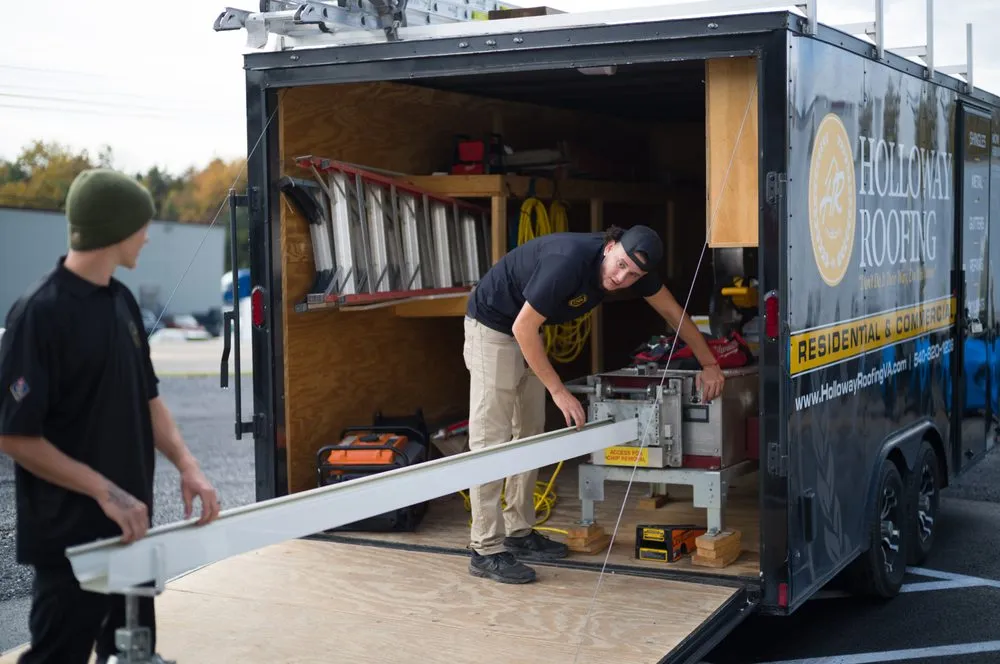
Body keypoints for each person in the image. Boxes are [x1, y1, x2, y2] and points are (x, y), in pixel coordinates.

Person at [0, 169, 222, 664]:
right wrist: (105, 491)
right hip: (71, 543)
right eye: (142, 226)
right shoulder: (40, 313)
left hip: (131, 528)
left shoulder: (121, 301)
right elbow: (14, 436)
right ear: (115, 229)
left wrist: (188, 466)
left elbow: (149, 398)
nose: (147, 237)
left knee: (134, 654)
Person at [462, 223, 725, 584]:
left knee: (530, 434)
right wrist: (558, 391)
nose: (622, 278)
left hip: (527, 331)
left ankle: (518, 532)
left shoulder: (634, 267)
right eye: (620, 265)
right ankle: (485, 549)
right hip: (494, 328)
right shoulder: (568, 261)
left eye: (633, 276)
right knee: (492, 440)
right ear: (610, 245)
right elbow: (523, 327)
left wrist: (709, 364)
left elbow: (673, 314)